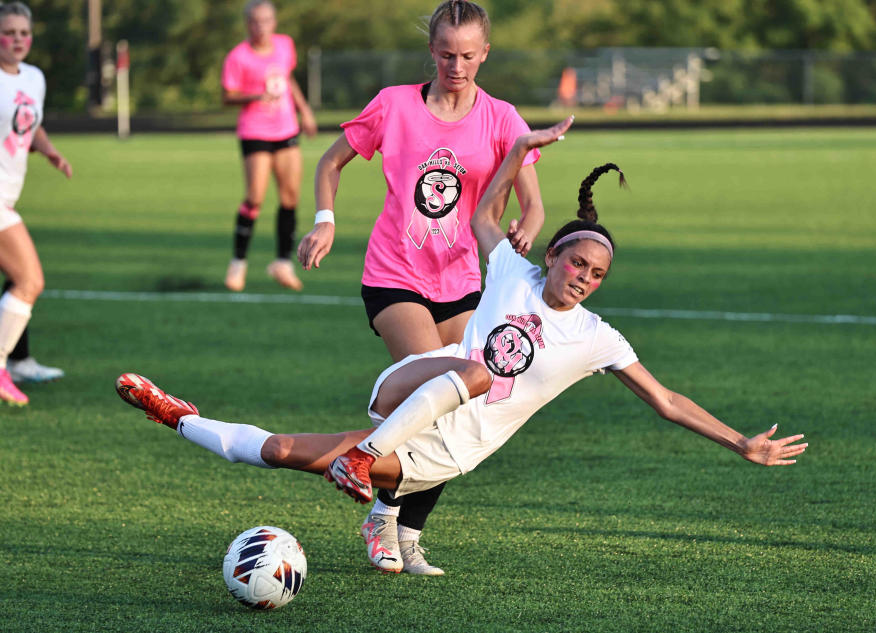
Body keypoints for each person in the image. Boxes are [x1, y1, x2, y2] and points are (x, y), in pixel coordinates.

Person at [114, 118, 808, 571]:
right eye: (576, 264)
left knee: (277, 450)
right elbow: (482, 213)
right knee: (477, 368)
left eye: (597, 275)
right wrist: (515, 151)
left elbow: (666, 399)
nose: (585, 279)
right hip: (420, 387)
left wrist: (739, 441)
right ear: (556, 254)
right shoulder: (508, 265)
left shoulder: (598, 338)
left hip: (436, 452)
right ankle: (364, 465)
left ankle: (178, 415)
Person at [296, 1, 546, 574]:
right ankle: (383, 517)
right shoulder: (394, 104)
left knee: (461, 406)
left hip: (463, 283)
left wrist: (522, 235)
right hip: (393, 276)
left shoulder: (504, 118)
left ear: (485, 53)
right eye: (445, 53)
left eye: (467, 55)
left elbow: (533, 208)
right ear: (430, 51)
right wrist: (325, 221)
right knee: (438, 384)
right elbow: (331, 163)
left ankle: (405, 529)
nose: (456, 65)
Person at [0, 2, 72, 406]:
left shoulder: (34, 77)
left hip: (8, 195)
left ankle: (18, 361)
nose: (17, 40)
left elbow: (32, 121)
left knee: (18, 280)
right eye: (8, 32)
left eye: (23, 33)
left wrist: (48, 151)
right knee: (29, 280)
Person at [221, 0, 317, 293]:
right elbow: (227, 96)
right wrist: (254, 96)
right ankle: (238, 263)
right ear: (247, 24)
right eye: (254, 21)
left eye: (265, 20)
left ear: (273, 22)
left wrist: (305, 110)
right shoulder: (238, 57)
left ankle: (282, 263)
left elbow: (288, 80)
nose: (260, 26)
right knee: (254, 198)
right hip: (255, 131)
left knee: (290, 197)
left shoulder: (285, 45)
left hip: (286, 129)